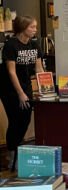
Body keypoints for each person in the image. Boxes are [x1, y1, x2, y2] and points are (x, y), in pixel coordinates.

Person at [0, 16, 44, 171]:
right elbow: (11, 72)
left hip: (26, 86)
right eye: (32, 27)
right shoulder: (11, 45)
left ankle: (16, 150)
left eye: (35, 27)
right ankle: (12, 154)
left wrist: (45, 88)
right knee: (15, 119)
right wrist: (19, 94)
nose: (35, 30)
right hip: (9, 89)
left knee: (25, 119)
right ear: (23, 28)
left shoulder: (34, 44)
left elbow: (39, 69)